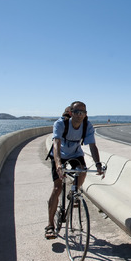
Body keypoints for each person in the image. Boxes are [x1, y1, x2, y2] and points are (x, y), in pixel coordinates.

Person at [45, 101, 102, 239]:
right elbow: (56, 144)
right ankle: (50, 225)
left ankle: (74, 191)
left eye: (82, 112)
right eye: (76, 112)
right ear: (70, 113)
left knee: (82, 170)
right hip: (59, 155)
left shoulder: (87, 125)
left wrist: (98, 164)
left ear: (86, 114)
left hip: (76, 154)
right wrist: (58, 164)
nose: (79, 115)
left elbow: (92, 146)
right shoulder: (60, 124)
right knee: (57, 188)